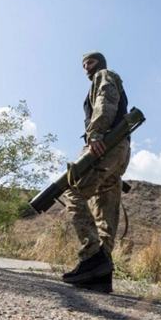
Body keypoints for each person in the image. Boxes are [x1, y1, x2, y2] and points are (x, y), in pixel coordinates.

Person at [60, 52, 131, 293]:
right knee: (104, 208)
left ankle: (92, 257)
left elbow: (105, 100)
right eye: (83, 65)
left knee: (74, 191)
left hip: (106, 144)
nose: (86, 68)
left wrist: (96, 134)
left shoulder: (104, 75)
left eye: (89, 62)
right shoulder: (105, 77)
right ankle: (102, 274)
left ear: (99, 63)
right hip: (119, 150)